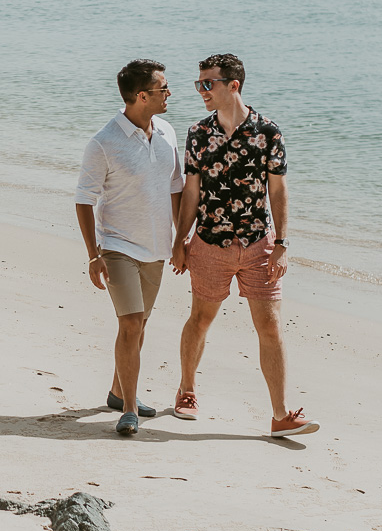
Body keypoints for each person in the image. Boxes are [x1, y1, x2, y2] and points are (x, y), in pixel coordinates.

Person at [169, 53, 317, 437]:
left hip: (258, 244)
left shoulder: (268, 132)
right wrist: (180, 240)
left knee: (269, 326)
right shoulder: (198, 133)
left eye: (208, 84)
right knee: (201, 319)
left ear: (233, 85)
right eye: (199, 84)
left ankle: (280, 415)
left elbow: (278, 189)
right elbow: (191, 191)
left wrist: (283, 242)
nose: (202, 91)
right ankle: (187, 390)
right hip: (209, 243)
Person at [75, 59, 184, 437]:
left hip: (157, 247)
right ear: (142, 96)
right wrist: (94, 254)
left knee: (140, 325)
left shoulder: (168, 131)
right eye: (163, 89)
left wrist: (181, 239)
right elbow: (84, 200)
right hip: (118, 246)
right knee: (131, 323)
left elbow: (176, 188)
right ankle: (131, 410)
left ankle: (119, 393)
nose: (169, 94)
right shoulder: (104, 142)